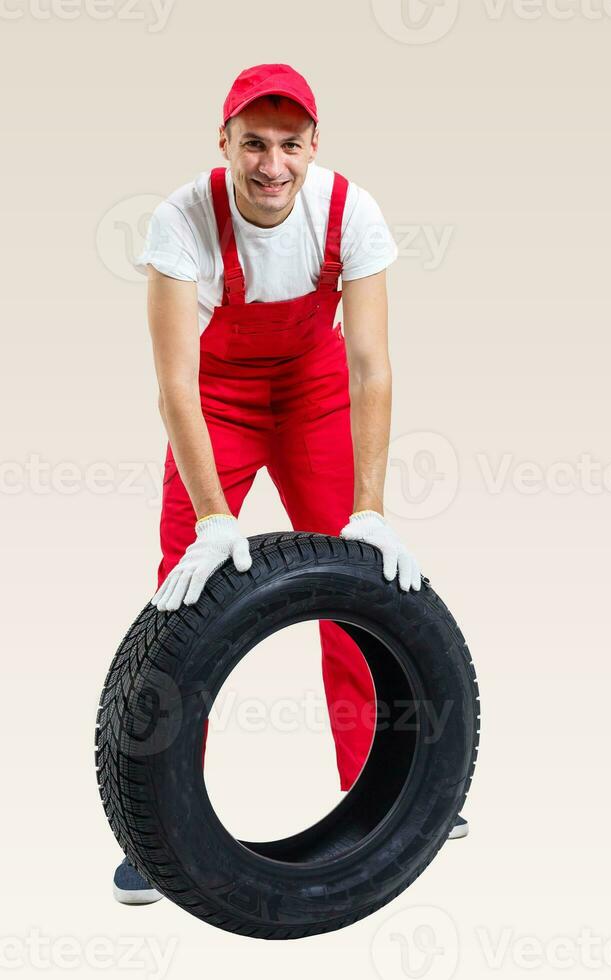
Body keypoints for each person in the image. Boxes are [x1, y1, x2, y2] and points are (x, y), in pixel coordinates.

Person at [112, 63, 468, 906]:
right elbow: (173, 384)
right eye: (254, 144)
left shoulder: (350, 212)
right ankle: (156, 833)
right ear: (224, 144)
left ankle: (385, 795)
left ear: (314, 146)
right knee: (184, 608)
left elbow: (372, 365)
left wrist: (370, 510)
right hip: (219, 399)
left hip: (313, 396)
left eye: (290, 144)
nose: (272, 164)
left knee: (357, 591)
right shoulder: (181, 220)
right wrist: (210, 516)